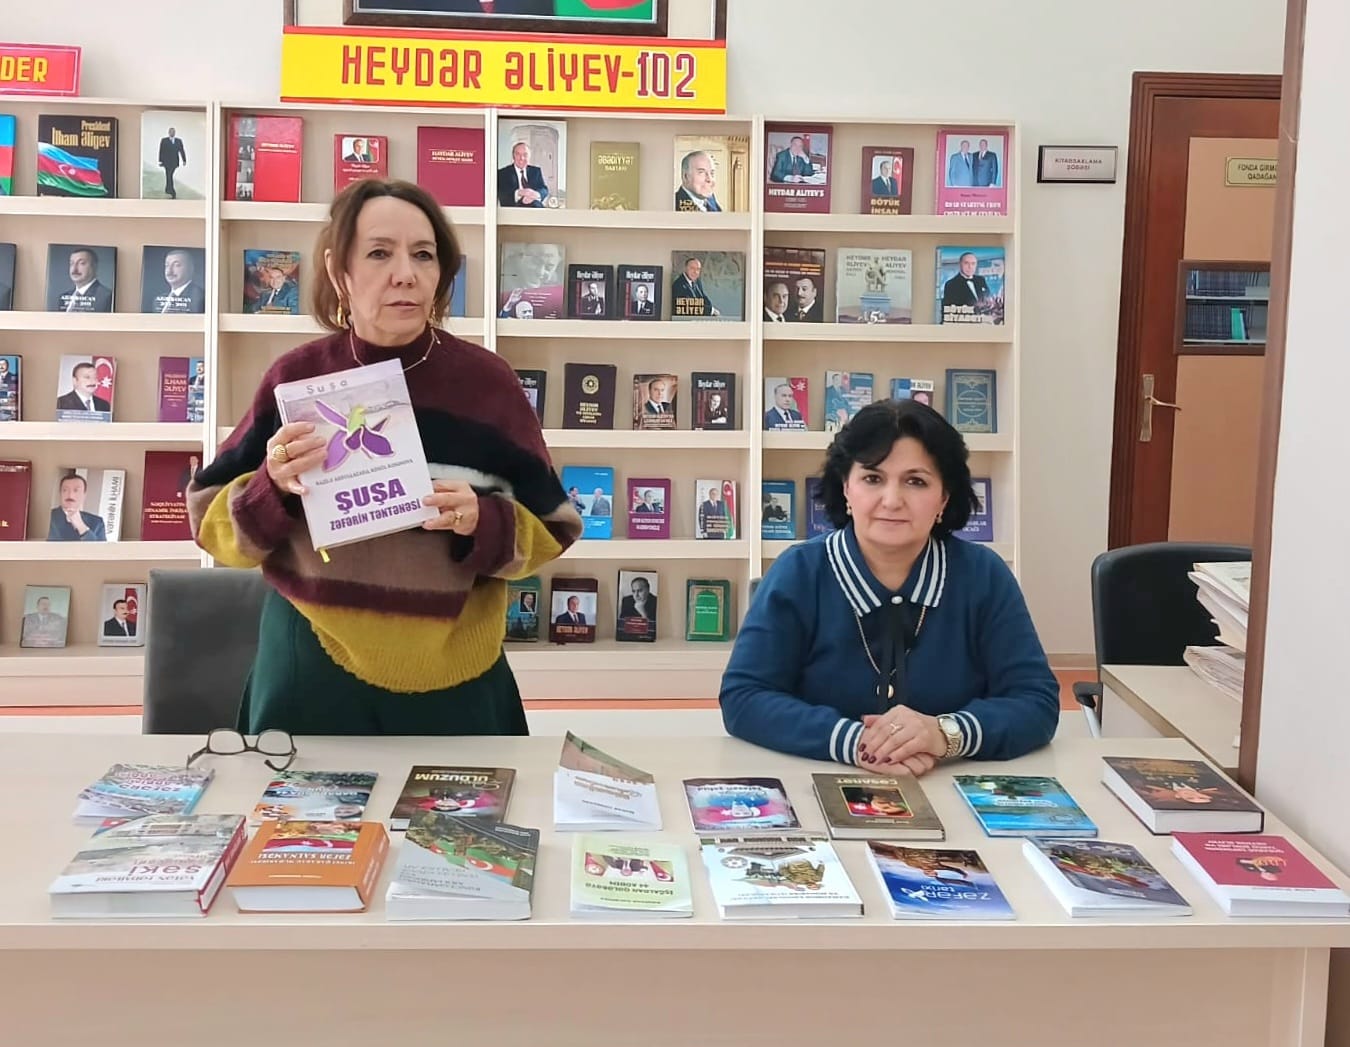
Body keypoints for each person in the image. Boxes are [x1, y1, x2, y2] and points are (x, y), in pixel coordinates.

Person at [186, 178, 583, 736]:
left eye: (423, 255)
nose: (405, 274)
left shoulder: (488, 384)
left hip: (458, 673)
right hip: (310, 666)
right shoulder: (295, 379)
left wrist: (485, 521)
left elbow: (555, 527)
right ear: (338, 271)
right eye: (379, 253)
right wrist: (271, 487)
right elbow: (208, 522)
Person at [720, 399, 1058, 774]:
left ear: (944, 498)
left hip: (949, 780)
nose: (892, 501)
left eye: (916, 481)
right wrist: (857, 743)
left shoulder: (984, 575)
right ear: (846, 488)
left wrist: (945, 733)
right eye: (873, 478)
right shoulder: (798, 572)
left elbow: (1036, 701)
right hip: (816, 780)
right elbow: (744, 698)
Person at [48, 473, 107, 541]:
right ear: (60, 493)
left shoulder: (97, 522)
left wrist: (81, 526)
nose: (70, 495)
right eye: (65, 490)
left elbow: (100, 547)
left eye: (76, 490)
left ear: (84, 495)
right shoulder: (47, 518)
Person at [54, 248, 113, 313]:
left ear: (94, 266)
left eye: (81, 263)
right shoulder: (63, 297)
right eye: (72, 263)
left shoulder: (107, 297)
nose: (74, 269)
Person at [148, 248, 205, 314]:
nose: (169, 272)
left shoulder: (201, 298)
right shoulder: (158, 301)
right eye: (167, 265)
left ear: (191, 268)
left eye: (176, 265)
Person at [497, 141, 549, 207]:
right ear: (513, 156)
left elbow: (544, 189)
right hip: (513, 209)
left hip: (535, 207)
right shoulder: (503, 173)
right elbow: (502, 194)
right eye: (518, 154)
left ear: (529, 156)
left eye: (525, 155)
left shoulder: (536, 171)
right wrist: (519, 193)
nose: (521, 158)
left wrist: (535, 194)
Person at [158, 126, 187, 199]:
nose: (172, 133)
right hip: (166, 162)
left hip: (174, 162)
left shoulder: (178, 141)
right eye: (171, 132)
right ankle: (172, 191)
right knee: (169, 175)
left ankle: (168, 189)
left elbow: (181, 150)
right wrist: (160, 161)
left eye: (173, 132)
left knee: (169, 175)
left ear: (175, 133)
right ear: (168, 133)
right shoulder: (164, 140)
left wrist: (184, 160)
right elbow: (161, 151)